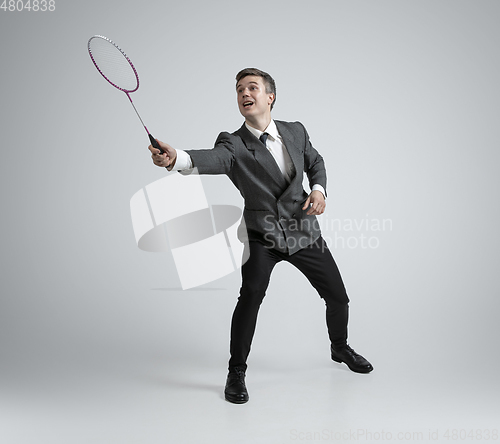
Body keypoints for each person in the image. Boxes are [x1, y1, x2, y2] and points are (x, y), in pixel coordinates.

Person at [148, 68, 373, 404]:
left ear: (270, 96)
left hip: (302, 230)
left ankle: (339, 347)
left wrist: (319, 190)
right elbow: (214, 159)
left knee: (339, 297)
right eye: (239, 90)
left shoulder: (295, 132)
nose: (244, 93)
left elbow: (316, 161)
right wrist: (176, 158)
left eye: (252, 87)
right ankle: (236, 372)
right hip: (262, 235)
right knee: (250, 297)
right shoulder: (233, 142)